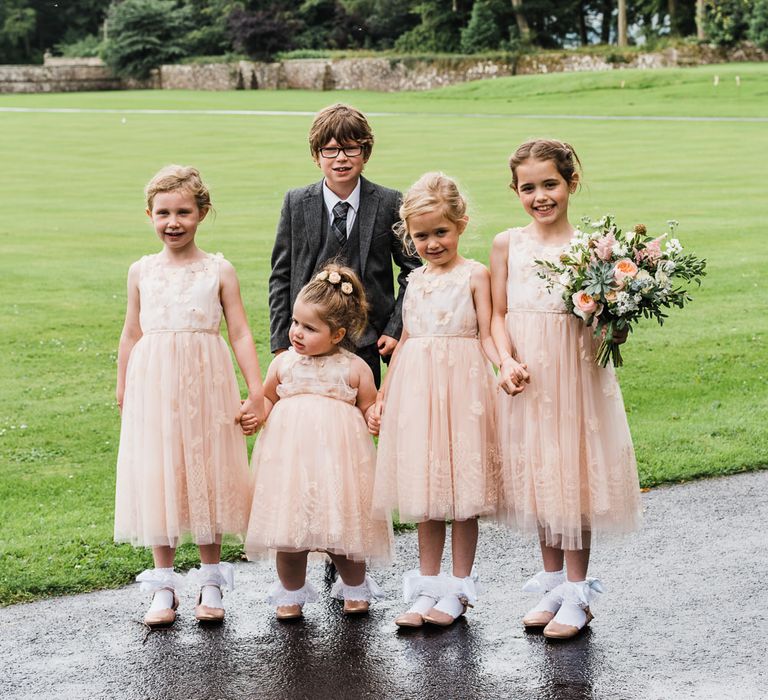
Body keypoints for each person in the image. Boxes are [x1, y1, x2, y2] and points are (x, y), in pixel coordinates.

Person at [490, 140, 642, 639]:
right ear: (515, 190)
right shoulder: (506, 243)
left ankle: (578, 593)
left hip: (574, 378)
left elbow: (601, 326)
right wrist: (506, 360)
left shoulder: (592, 249)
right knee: (540, 475)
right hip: (527, 378)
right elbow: (493, 315)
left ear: (571, 183)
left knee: (571, 477)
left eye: (550, 184)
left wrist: (617, 325)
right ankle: (553, 584)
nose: (540, 196)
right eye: (528, 187)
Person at [114, 165, 265, 628]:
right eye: (163, 213)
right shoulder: (141, 271)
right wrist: (123, 386)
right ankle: (162, 585)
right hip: (154, 384)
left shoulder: (218, 269)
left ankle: (211, 578)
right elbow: (131, 332)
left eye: (183, 211)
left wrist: (256, 390)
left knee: (206, 471)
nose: (173, 222)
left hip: (207, 382)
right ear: (149, 215)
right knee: (161, 472)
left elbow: (239, 331)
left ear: (202, 213)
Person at [370, 173, 500, 628]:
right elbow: (405, 338)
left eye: (440, 232)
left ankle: (458, 590)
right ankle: (427, 587)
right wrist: (384, 396)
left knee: (462, 493)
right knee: (426, 492)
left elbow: (486, 334)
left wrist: (505, 367)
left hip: (464, 388)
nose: (431, 243)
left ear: (460, 224)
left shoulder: (475, 274)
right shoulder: (416, 280)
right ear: (409, 236)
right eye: (421, 235)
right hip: (417, 389)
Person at [244, 264, 394, 620]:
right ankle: (290, 592)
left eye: (309, 328)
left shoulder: (354, 367)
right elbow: (268, 399)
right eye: (295, 322)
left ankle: (355, 588)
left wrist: (374, 416)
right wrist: (255, 412)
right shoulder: (283, 363)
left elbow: (368, 404)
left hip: (337, 464)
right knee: (289, 535)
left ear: (338, 333)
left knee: (342, 532)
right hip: (290, 464)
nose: (296, 332)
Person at [268, 103, 421, 387]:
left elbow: (414, 272)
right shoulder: (296, 203)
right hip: (306, 340)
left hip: (368, 341)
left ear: (365, 153)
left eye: (351, 148)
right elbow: (281, 275)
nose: (341, 158)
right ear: (317, 155)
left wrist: (395, 328)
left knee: (360, 422)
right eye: (330, 150)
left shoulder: (389, 203)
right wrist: (280, 343)